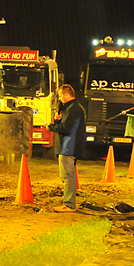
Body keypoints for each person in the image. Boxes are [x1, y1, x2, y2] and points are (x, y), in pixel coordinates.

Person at [47, 84, 86, 212]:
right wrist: (59, 120)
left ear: (66, 95)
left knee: (67, 176)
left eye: (60, 95)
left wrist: (51, 126)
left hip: (68, 147)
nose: (60, 98)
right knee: (68, 175)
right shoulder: (73, 108)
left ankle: (69, 204)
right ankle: (69, 202)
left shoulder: (73, 109)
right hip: (69, 146)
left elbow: (66, 128)